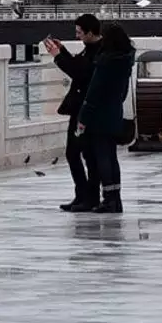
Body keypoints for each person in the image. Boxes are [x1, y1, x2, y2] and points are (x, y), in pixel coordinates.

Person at [42, 14, 102, 212]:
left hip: (88, 110)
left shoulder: (98, 52)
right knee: (75, 153)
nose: (77, 36)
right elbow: (78, 66)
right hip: (80, 109)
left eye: (79, 33)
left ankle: (89, 196)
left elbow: (80, 73)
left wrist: (58, 56)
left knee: (86, 154)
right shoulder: (90, 50)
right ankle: (83, 195)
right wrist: (63, 51)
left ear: (90, 33)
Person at [76, 23, 135, 213]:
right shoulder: (125, 62)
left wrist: (82, 118)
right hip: (114, 113)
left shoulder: (105, 63)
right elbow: (124, 92)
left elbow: (93, 93)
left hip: (99, 116)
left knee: (102, 157)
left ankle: (108, 198)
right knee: (112, 157)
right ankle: (115, 198)